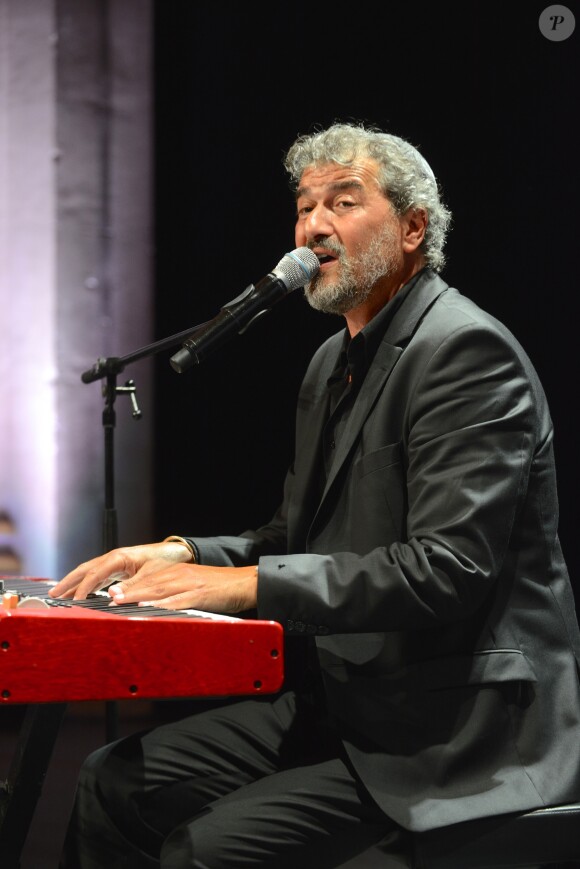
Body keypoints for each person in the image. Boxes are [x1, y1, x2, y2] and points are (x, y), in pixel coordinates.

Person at [51, 122, 580, 868]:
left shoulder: (464, 352)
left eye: (342, 200)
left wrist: (244, 584)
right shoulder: (334, 359)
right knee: (115, 780)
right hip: (350, 707)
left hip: (455, 728)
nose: (313, 225)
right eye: (304, 206)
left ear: (412, 229)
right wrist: (179, 550)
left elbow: (446, 569)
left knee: (203, 849)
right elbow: (295, 537)